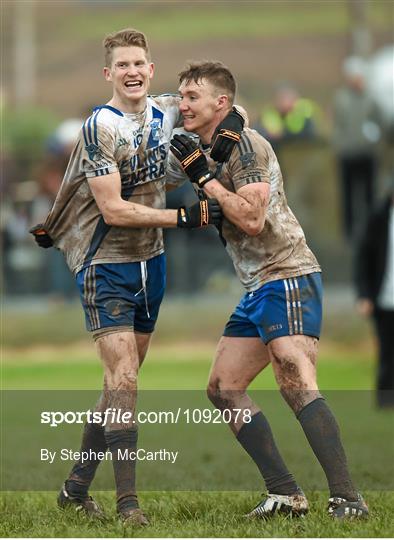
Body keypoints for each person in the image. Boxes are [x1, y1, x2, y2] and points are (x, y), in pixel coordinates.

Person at [30, 29, 244, 526]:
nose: (131, 72)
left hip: (153, 264)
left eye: (139, 64)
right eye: (122, 65)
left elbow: (226, 107)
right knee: (124, 379)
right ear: (109, 74)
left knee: (118, 386)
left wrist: (230, 128)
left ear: (151, 70)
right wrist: (185, 218)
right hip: (105, 262)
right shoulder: (100, 126)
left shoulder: (167, 109)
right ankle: (129, 506)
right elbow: (113, 209)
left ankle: (75, 489)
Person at [169, 61, 369, 519]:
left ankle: (347, 498)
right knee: (223, 388)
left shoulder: (248, 146)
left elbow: (253, 220)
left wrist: (207, 182)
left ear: (220, 103)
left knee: (294, 376)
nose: (182, 105)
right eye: (181, 96)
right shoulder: (199, 140)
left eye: (191, 97)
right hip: (257, 284)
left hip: (288, 271)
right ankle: (285, 493)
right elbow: (154, 111)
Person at [333, 56, 382, 242]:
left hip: (367, 154)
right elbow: (337, 124)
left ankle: (371, 231)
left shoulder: (371, 98)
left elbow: (379, 120)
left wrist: (374, 137)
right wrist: (340, 144)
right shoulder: (341, 98)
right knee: (348, 195)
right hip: (347, 154)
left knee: (369, 194)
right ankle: (349, 234)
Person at [354, 186, 394, 408]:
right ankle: (385, 401)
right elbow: (363, 258)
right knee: (387, 352)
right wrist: (364, 295)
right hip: (385, 299)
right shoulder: (378, 218)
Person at [254, 83, 320, 149]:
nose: (283, 102)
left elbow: (309, 133)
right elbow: (260, 130)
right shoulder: (270, 112)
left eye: (286, 98)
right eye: (280, 99)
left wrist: (283, 133)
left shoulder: (304, 110)